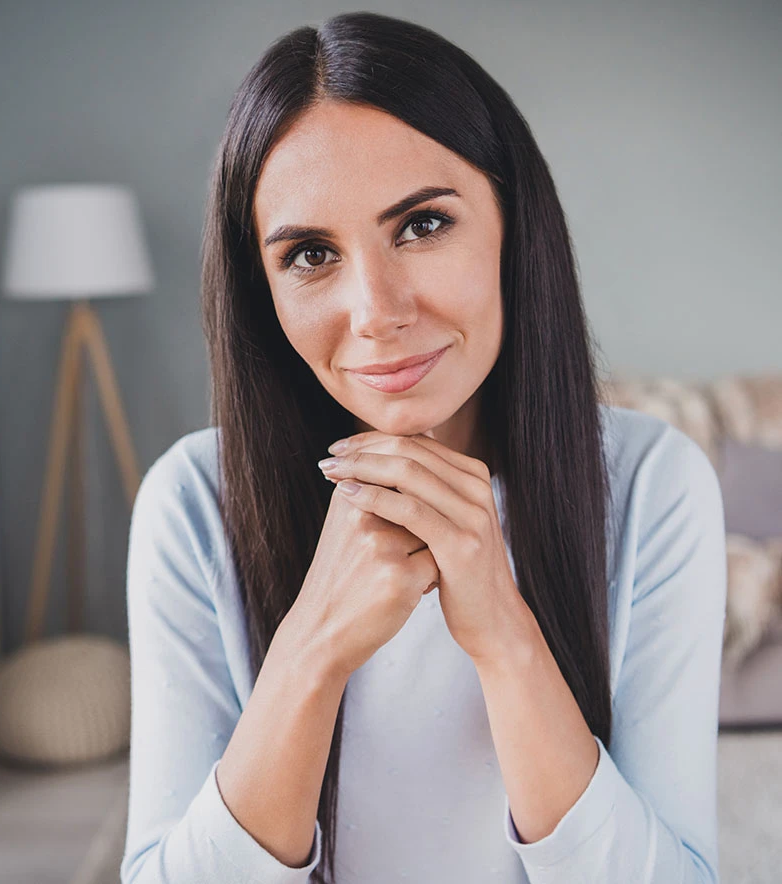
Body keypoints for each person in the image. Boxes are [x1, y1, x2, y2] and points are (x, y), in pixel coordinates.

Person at [120, 11, 727, 884]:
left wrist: (503, 635)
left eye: (422, 226)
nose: (378, 311)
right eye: (312, 254)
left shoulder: (653, 484)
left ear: (515, 225)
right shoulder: (192, 501)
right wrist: (313, 646)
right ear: (263, 292)